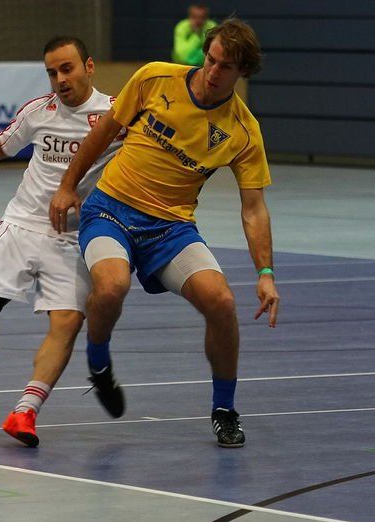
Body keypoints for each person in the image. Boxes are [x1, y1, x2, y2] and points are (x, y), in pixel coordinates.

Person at [50, 18, 280, 448]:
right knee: (112, 286)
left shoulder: (243, 130)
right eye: (210, 59)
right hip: (110, 210)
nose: (213, 72)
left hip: (170, 228)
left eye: (225, 67)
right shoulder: (154, 78)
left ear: (243, 71)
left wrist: (265, 272)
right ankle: (98, 362)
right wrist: (67, 187)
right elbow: (103, 133)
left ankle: (224, 410)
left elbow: (253, 208)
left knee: (222, 302)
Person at [0, 37, 122, 447]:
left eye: (67, 68)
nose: (59, 79)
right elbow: (1, 146)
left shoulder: (117, 115)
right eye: (52, 72)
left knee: (66, 322)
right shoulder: (38, 111)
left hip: (74, 236)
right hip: (21, 224)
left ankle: (26, 410)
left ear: (89, 67)